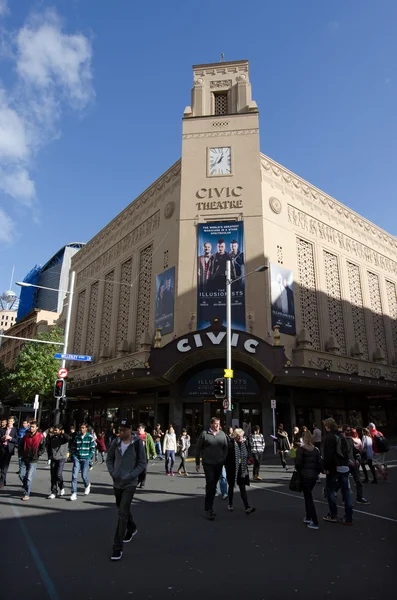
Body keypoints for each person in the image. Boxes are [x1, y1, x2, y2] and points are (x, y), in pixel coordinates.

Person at [106, 419, 146, 561]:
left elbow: (142, 462)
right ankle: (132, 527)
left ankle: (117, 547)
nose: (121, 432)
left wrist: (131, 475)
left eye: (124, 430)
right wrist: (112, 472)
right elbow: (109, 458)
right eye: (120, 430)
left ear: (130, 430)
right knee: (121, 508)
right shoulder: (115, 443)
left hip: (130, 482)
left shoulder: (137, 444)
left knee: (122, 513)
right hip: (117, 481)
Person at [195, 417, 229, 520]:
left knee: (213, 484)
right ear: (211, 424)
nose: (217, 425)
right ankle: (209, 509)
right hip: (208, 463)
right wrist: (197, 463)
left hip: (218, 463)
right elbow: (198, 449)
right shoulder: (204, 434)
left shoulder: (222, 434)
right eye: (215, 424)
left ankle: (210, 506)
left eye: (218, 423)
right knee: (210, 484)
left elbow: (226, 447)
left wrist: (224, 459)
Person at [322, 417, 353, 525]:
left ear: (327, 426)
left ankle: (333, 514)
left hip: (334, 467)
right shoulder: (341, 435)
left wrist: (326, 468)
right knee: (346, 492)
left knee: (330, 490)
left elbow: (328, 455)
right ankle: (349, 517)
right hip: (344, 465)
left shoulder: (329, 437)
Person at [295, 430, 322, 530]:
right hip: (313, 476)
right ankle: (308, 516)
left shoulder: (301, 449)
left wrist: (300, 471)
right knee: (308, 495)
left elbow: (298, 463)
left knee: (308, 497)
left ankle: (314, 520)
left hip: (305, 475)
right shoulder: (316, 450)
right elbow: (319, 463)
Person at [225, 428, 255, 515]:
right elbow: (227, 458)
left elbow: (247, 454)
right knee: (231, 486)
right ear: (235, 436)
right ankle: (230, 504)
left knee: (242, 488)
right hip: (233, 470)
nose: (240, 438)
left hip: (242, 469)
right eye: (238, 436)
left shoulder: (244, 443)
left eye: (241, 436)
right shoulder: (230, 445)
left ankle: (247, 507)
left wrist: (248, 461)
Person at [19, 421, 46, 500]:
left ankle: (27, 494)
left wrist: (38, 454)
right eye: (30, 426)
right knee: (21, 474)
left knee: (29, 477)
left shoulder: (40, 436)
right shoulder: (26, 435)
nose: (31, 428)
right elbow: (20, 445)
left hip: (33, 459)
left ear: (36, 428)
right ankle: (25, 485)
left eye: (33, 427)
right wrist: (21, 453)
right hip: (24, 457)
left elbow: (43, 447)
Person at [343, 425, 369, 504]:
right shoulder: (341, 440)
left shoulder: (350, 440)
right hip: (346, 463)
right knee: (343, 483)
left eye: (349, 430)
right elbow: (342, 452)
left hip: (353, 463)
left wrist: (357, 458)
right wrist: (347, 460)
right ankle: (343, 498)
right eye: (347, 430)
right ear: (344, 431)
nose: (349, 432)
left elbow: (354, 450)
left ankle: (360, 497)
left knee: (358, 481)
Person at [70, 423, 96, 501]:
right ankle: (74, 493)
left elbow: (92, 449)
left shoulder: (90, 437)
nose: (81, 429)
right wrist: (74, 456)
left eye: (83, 428)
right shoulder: (77, 437)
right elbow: (73, 447)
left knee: (84, 476)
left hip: (85, 458)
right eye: (81, 428)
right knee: (74, 475)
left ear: (86, 429)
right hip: (77, 458)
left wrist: (88, 457)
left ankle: (87, 485)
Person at [48, 424, 70, 499]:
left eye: (56, 430)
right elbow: (48, 447)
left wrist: (63, 433)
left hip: (61, 458)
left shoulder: (64, 437)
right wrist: (49, 456)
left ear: (60, 430)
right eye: (54, 430)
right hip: (54, 458)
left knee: (58, 474)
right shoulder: (52, 438)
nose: (54, 431)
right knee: (53, 476)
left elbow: (69, 438)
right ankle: (54, 492)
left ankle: (61, 486)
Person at [0, 417, 18, 488]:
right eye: (8, 421)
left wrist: (10, 438)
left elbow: (16, 440)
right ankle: (3, 480)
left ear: (13, 422)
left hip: (8, 450)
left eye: (11, 421)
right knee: (1, 465)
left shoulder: (15, 430)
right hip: (1, 449)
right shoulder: (2, 429)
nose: (9, 422)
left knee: (5, 467)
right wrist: (3, 438)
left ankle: (1, 482)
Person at [136, 423, 155, 488]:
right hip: (136, 455)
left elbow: (151, 445)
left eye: (140, 428)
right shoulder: (135, 436)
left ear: (143, 429)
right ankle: (138, 480)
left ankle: (142, 482)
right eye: (138, 428)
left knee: (144, 469)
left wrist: (154, 453)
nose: (139, 429)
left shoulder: (148, 436)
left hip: (145, 455)